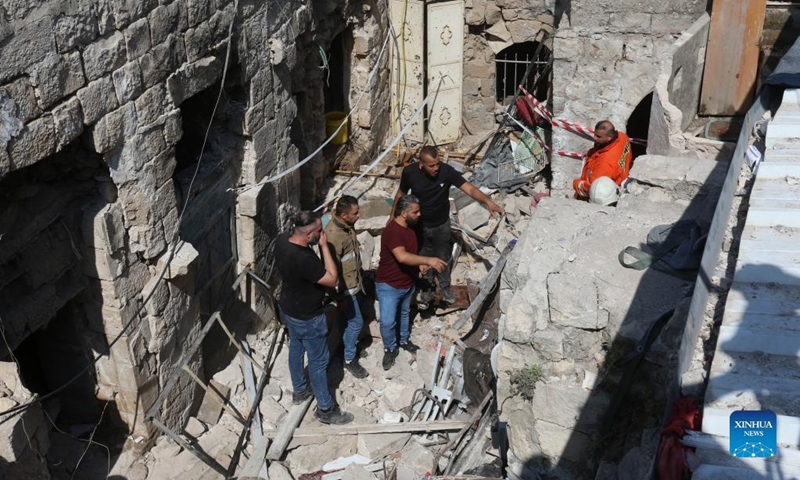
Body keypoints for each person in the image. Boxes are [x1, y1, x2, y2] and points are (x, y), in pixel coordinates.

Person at [391, 146, 504, 307]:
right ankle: (427, 290)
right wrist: (392, 217)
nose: (436, 168)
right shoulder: (410, 173)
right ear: (421, 164)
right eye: (431, 165)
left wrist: (488, 201)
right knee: (424, 259)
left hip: (441, 225)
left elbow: (469, 188)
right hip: (419, 226)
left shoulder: (447, 172)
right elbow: (401, 193)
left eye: (438, 164)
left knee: (443, 257)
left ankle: (445, 288)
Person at [274, 211, 353, 425]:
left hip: (289, 308)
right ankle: (326, 409)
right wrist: (325, 247)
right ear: (308, 234)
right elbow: (332, 279)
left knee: (296, 349)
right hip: (309, 317)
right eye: (319, 230)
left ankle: (300, 390)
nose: (323, 233)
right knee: (318, 363)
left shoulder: (282, 241)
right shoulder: (304, 258)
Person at [376, 195, 447, 371]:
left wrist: (420, 264)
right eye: (415, 212)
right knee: (387, 321)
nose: (419, 214)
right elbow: (401, 256)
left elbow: (410, 253)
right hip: (389, 285)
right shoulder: (392, 231)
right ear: (403, 213)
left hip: (407, 283)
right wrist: (429, 260)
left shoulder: (410, 228)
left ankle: (404, 340)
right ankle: (390, 348)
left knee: (404, 313)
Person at [324, 195, 369, 379]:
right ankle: (349, 359)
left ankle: (345, 345)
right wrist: (339, 297)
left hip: (354, 284)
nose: (358, 215)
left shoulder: (345, 226)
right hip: (346, 290)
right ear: (343, 215)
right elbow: (331, 271)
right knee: (356, 322)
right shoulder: (334, 236)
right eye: (355, 213)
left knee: (348, 321)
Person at [572, 120, 633, 200]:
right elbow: (604, 148)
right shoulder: (622, 137)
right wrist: (591, 152)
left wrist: (576, 184)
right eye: (595, 135)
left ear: (609, 137)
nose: (595, 138)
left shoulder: (605, 163)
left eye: (599, 137)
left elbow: (591, 188)